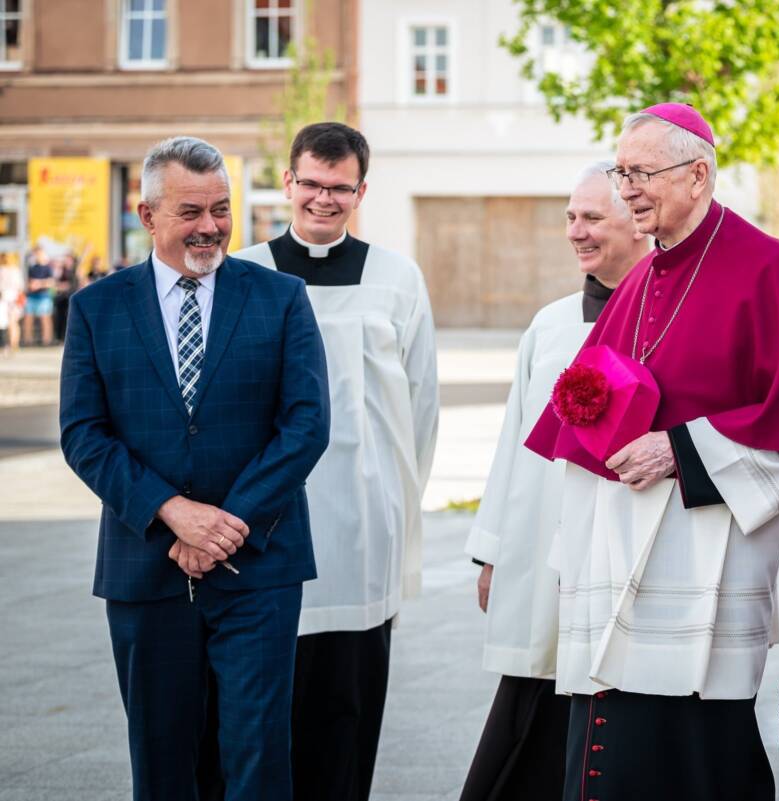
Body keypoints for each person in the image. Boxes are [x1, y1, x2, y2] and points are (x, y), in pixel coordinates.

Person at [525, 103, 779, 801]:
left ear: (699, 174)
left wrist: (680, 450)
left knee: (691, 751)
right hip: (618, 543)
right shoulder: (640, 275)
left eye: (641, 173)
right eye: (621, 171)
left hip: (699, 551)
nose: (627, 187)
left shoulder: (768, 269)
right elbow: (583, 411)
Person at [59, 136, 331, 801]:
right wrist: (172, 512)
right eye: (191, 211)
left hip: (259, 568)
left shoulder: (281, 298)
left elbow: (307, 424)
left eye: (222, 209)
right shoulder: (99, 307)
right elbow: (83, 434)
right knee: (161, 759)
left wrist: (228, 523)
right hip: (146, 568)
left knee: (258, 754)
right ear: (147, 214)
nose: (210, 226)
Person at [233, 122, 439, 801]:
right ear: (287, 182)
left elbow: (421, 404)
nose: (324, 199)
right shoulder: (246, 274)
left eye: (339, 188)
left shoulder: (396, 278)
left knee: (347, 709)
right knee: (264, 713)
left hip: (362, 525)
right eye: (311, 184)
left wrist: (397, 506)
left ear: (361, 191)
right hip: (263, 524)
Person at [460, 160, 646, 801]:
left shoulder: (663, 321)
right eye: (571, 216)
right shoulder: (550, 324)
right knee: (534, 684)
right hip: (540, 547)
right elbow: (516, 445)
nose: (576, 231)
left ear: (637, 223)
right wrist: (492, 552)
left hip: (624, 554)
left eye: (593, 217)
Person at [23, 247, 53, 345]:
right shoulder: (32, 268)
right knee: (28, 319)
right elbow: (28, 282)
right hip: (31, 296)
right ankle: (28, 341)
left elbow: (51, 282)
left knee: (45, 319)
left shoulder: (48, 268)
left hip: (43, 297)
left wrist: (39, 284)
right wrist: (31, 285)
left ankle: (47, 340)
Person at [0, 251, 22, 354]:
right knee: (11, 323)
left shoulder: (4, 270)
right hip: (11, 298)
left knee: (8, 323)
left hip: (7, 298)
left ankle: (9, 344)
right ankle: (12, 344)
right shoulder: (15, 270)